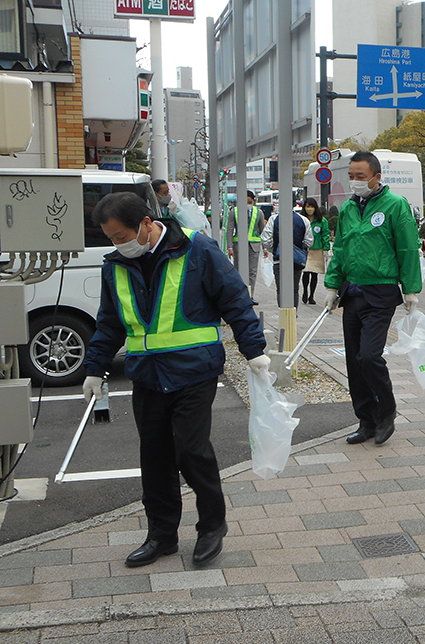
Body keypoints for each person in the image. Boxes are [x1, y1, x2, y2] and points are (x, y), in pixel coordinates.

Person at [81, 192, 268, 568]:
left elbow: (234, 299)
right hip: (147, 375)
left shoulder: (198, 249)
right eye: (111, 238)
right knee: (155, 457)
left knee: (191, 451)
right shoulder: (115, 264)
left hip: (194, 371)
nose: (118, 244)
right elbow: (109, 322)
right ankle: (161, 535)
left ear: (147, 224)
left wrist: (254, 350)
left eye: (121, 236)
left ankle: (212, 527)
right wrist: (93, 368)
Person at [323, 150, 422, 447]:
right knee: (354, 362)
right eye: (351, 176)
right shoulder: (349, 208)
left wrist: (411, 289)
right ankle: (365, 420)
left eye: (360, 177)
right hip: (351, 294)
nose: (355, 182)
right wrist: (331, 286)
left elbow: (407, 248)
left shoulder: (395, 205)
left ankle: (387, 411)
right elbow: (340, 249)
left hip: (380, 292)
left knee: (369, 355)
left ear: (377, 177)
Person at [260, 200, 313, 309]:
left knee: (281, 288)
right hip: (297, 261)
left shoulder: (274, 219)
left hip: (279, 260)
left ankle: (283, 312)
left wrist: (275, 250)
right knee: (294, 288)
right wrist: (299, 250)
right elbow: (309, 241)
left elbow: (266, 239)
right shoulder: (303, 220)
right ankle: (294, 314)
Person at [225, 190, 267, 303]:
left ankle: (250, 296)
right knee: (239, 271)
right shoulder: (234, 212)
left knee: (252, 272)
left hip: (254, 246)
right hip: (238, 246)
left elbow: (263, 231)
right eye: (246, 201)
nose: (248, 204)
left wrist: (265, 247)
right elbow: (229, 230)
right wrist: (229, 247)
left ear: (253, 201)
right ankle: (240, 295)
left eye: (250, 201)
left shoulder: (259, 212)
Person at [301, 197, 330, 305]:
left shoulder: (321, 221)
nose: (310, 209)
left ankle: (312, 295)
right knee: (306, 271)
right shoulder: (302, 219)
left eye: (312, 206)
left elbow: (325, 234)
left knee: (314, 274)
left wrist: (326, 248)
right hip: (305, 249)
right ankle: (304, 292)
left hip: (317, 249)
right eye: (308, 206)